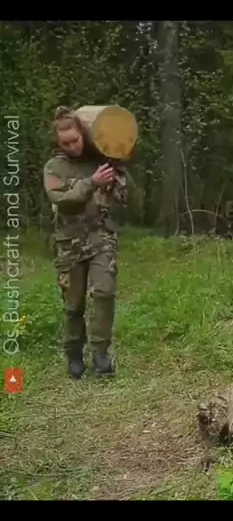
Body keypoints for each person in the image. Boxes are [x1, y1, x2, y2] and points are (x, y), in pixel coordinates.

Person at [43, 106, 129, 378]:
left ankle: (100, 354)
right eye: (65, 143)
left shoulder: (100, 160)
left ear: (84, 134)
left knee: (104, 292)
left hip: (100, 236)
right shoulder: (54, 167)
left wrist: (118, 171)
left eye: (75, 140)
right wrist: (91, 182)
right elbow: (62, 200)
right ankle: (74, 354)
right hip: (68, 243)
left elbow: (124, 198)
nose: (72, 146)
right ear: (58, 142)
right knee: (74, 305)